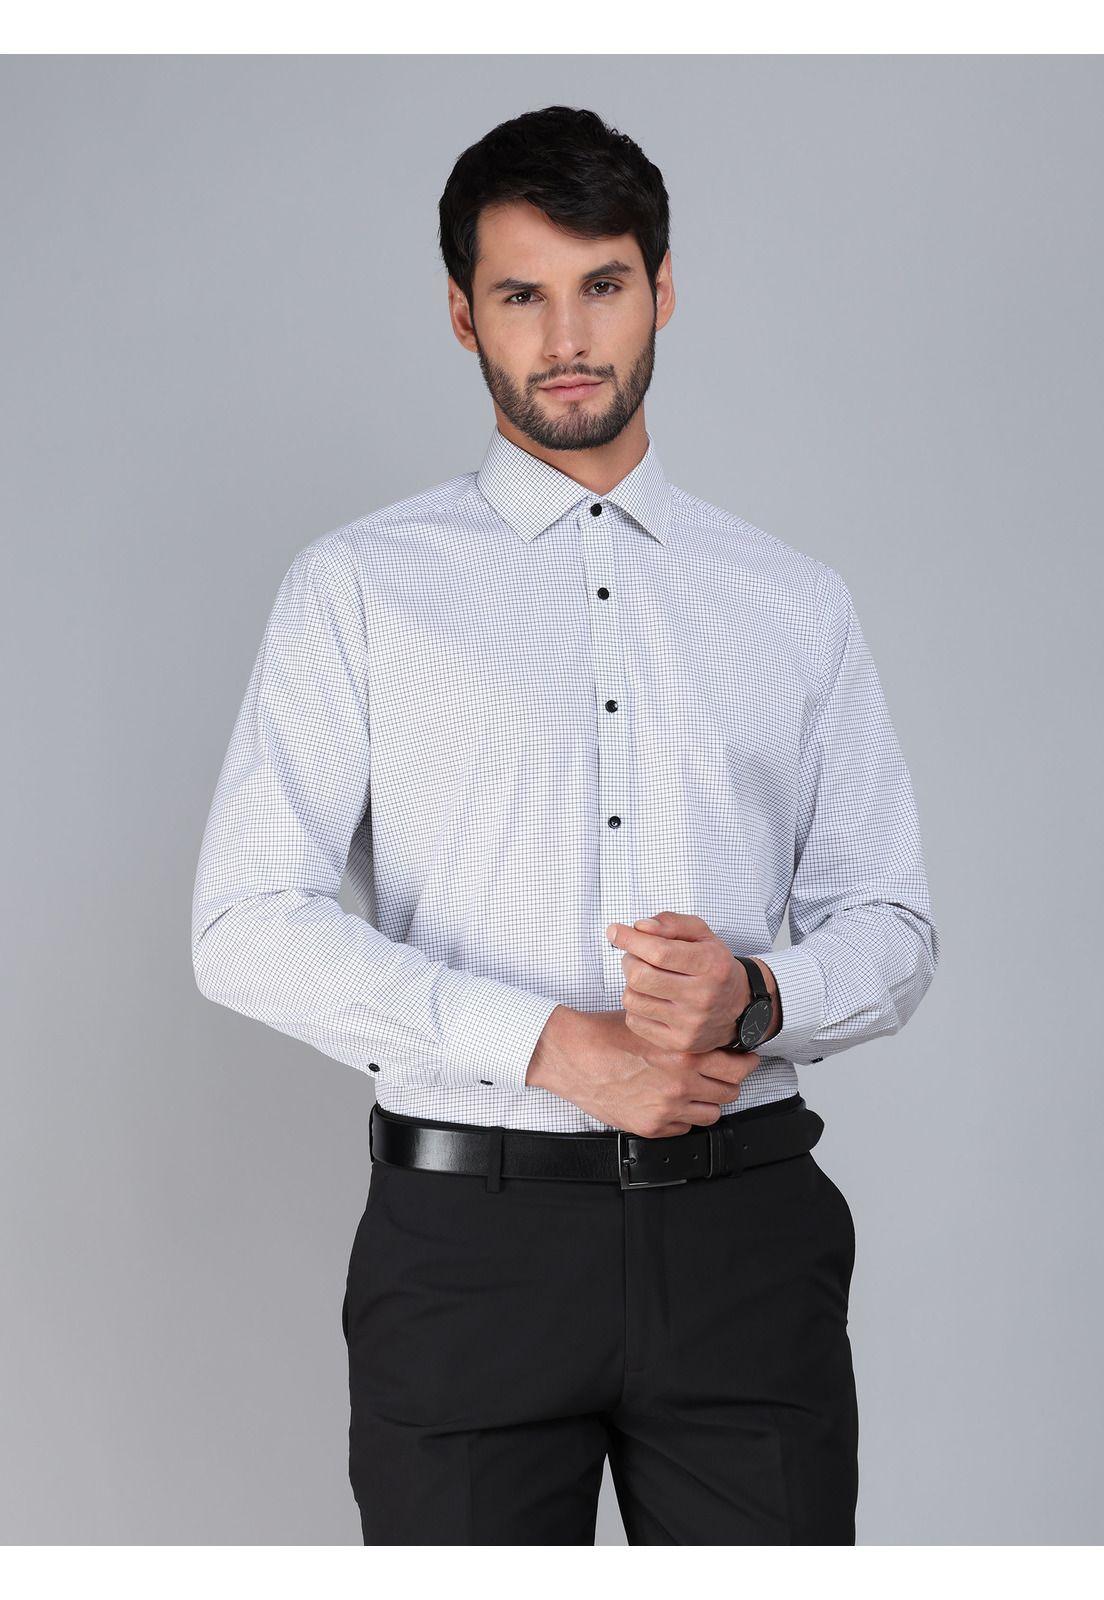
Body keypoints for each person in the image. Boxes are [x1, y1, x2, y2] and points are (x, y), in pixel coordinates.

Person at [191, 104, 939, 1546]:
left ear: (664, 290)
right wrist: (551, 1047)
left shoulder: (792, 601)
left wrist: (755, 995)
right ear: (462, 315)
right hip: (468, 1254)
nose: (569, 336)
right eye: (522, 294)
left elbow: (892, 927)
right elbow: (245, 927)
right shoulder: (360, 588)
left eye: (603, 284)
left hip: (743, 1243)